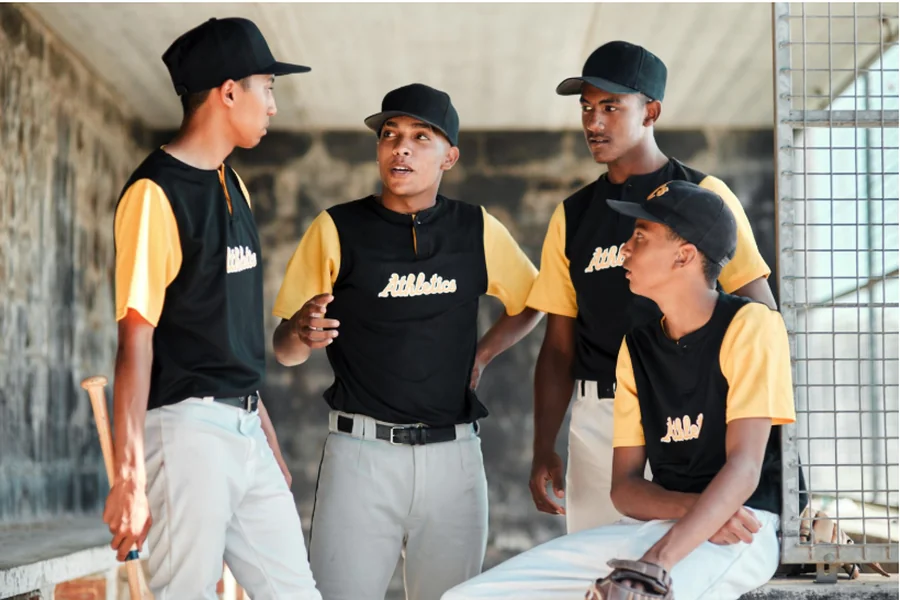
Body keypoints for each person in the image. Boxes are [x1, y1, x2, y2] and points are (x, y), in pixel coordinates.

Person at [442, 180, 796, 600]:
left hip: (745, 526)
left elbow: (744, 469)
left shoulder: (752, 325)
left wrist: (654, 565)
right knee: (467, 597)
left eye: (641, 237)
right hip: (663, 523)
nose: (624, 248)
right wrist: (681, 521)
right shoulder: (639, 345)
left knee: (632, 595)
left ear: (684, 256)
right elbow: (625, 490)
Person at [272, 83, 542, 600]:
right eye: (390, 135)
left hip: (454, 459)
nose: (401, 148)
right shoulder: (337, 227)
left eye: (421, 137)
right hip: (360, 456)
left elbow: (534, 300)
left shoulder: (476, 228)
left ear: (449, 157)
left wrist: (482, 354)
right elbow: (285, 351)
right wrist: (300, 332)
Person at [105, 17, 321, 599]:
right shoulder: (154, 194)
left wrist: (264, 433)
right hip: (186, 434)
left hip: (245, 428)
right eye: (267, 88)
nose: (273, 105)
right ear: (229, 92)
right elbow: (135, 340)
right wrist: (129, 477)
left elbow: (230, 335)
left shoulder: (235, 186)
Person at [527, 40, 779, 534]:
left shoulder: (705, 194)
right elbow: (558, 347)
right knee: (599, 563)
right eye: (587, 108)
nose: (593, 122)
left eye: (611, 107)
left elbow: (759, 314)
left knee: (687, 554)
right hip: (600, 416)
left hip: (688, 412)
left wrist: (739, 423)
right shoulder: (572, 215)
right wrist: (542, 446)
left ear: (651, 111)